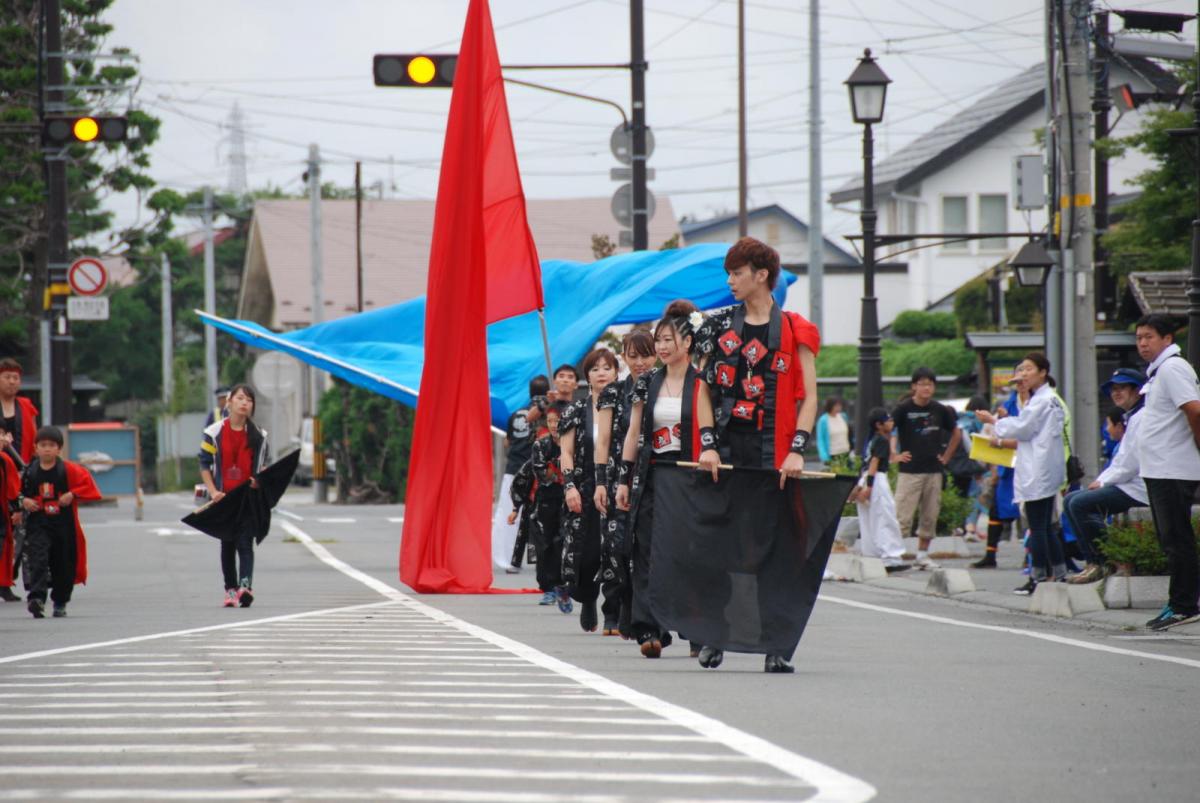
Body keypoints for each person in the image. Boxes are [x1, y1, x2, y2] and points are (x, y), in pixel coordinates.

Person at [692, 236, 820, 673]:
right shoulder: (717, 327)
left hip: (776, 455)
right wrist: (708, 445)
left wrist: (797, 452)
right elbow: (702, 391)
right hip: (726, 453)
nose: (729, 281)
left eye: (737, 273)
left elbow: (810, 398)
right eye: (729, 273)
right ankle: (715, 635)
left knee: (776, 550)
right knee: (721, 545)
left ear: (761, 275)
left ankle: (776, 645)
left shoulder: (795, 328)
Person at [605, 301, 718, 658]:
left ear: (688, 343)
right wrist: (623, 480)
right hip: (652, 473)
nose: (663, 347)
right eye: (659, 341)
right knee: (647, 549)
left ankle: (696, 630)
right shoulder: (647, 383)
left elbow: (710, 429)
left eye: (669, 340)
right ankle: (648, 628)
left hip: (691, 475)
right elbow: (633, 432)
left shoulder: (703, 383)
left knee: (691, 552)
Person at [975, 353, 1066, 594]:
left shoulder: (1040, 401)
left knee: (1037, 526)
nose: (1023, 374)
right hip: (1046, 467)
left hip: (1037, 469)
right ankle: (1060, 573)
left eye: (1028, 369)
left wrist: (992, 420)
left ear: (1042, 372)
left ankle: (1037, 578)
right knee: (1046, 525)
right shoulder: (1049, 398)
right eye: (1021, 370)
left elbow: (1022, 429)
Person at [1133, 315, 1200, 630]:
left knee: (1177, 538)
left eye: (1149, 337)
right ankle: (1178, 601)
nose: (1143, 343)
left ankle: (1184, 604)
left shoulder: (1173, 368)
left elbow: (1194, 409)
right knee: (1169, 537)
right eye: (1139, 338)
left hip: (1172, 467)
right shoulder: (1161, 372)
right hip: (1160, 467)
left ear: (1167, 339)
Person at [593, 329, 657, 639]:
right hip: (618, 477)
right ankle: (615, 609)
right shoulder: (612, 393)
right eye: (632, 356)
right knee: (616, 548)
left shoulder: (663, 387)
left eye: (645, 355)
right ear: (624, 357)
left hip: (655, 476)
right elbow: (603, 439)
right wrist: (600, 481)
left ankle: (646, 615)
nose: (639, 362)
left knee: (648, 549)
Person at [1063, 368, 1148, 584]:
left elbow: (1131, 463)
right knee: (1071, 500)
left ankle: (1105, 561)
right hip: (1127, 483)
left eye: (1122, 388)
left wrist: (1104, 481)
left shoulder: (1143, 417)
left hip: (1139, 486)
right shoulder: (1131, 417)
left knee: (1081, 504)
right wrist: (1102, 480)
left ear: (1137, 390)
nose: (1116, 393)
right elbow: (1121, 460)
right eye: (1114, 389)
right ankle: (1093, 562)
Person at [559, 349, 622, 634]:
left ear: (616, 373)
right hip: (585, 488)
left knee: (615, 549)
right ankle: (588, 596)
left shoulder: (625, 405)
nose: (601, 373)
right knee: (587, 554)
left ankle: (613, 612)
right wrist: (570, 486)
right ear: (587, 376)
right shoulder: (575, 410)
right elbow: (566, 452)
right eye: (595, 369)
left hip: (617, 485)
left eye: (606, 368)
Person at [198, 384, 271, 608]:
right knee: (228, 544)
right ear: (229, 402)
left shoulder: (259, 435)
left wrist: (259, 481)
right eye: (240, 398)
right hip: (224, 498)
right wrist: (213, 492)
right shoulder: (213, 433)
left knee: (245, 542)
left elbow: (263, 466)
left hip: (247, 498)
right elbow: (204, 464)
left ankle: (245, 587)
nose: (244, 403)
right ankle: (230, 590)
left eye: (249, 400)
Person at [18, 426, 101, 618]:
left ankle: (60, 601)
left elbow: (88, 485)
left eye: (52, 445)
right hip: (38, 523)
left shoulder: (69, 470)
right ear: (36, 448)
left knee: (63, 563)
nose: (47, 449)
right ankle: (36, 599)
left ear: (59, 449)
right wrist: (25, 502)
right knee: (37, 560)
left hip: (63, 525)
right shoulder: (29, 472)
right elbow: (17, 493)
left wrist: (72, 494)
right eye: (43, 445)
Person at [890, 367, 961, 570]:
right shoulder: (903, 409)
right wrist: (894, 454)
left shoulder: (940, 410)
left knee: (930, 515)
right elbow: (888, 429)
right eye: (921, 384)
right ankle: (894, 555)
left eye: (929, 384)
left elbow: (956, 433)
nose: (926, 388)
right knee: (901, 515)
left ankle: (922, 555)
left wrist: (946, 456)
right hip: (909, 470)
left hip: (934, 469)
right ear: (914, 386)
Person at [492, 376, 548, 573]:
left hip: (514, 468)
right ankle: (540, 558)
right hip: (539, 470)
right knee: (541, 514)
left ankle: (506, 557)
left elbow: (508, 442)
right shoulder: (549, 411)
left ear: (530, 392)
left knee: (509, 513)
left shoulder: (516, 415)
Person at [848, 407, 909, 572]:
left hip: (867, 477)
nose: (891, 422)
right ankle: (891, 557)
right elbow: (875, 462)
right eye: (887, 420)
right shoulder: (881, 440)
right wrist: (869, 486)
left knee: (868, 520)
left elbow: (867, 463)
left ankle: (872, 555)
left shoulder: (872, 440)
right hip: (876, 480)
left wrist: (861, 484)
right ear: (878, 424)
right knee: (884, 517)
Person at [972, 397, 1021, 569]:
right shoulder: (1009, 403)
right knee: (996, 511)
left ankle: (1032, 557)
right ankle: (990, 555)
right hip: (1005, 470)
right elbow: (991, 439)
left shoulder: (1037, 403)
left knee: (1029, 516)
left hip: (1026, 468)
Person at [529, 402, 569, 610]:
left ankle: (564, 584)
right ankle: (547, 587)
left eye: (558, 421)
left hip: (570, 497)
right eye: (551, 421)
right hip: (547, 499)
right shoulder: (540, 445)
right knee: (545, 544)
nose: (554, 425)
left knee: (564, 540)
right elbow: (540, 473)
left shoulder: (575, 443)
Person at [948, 396, 990, 540]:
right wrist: (980, 466)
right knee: (973, 496)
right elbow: (976, 446)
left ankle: (957, 527)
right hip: (972, 465)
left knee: (958, 496)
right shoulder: (979, 422)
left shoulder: (959, 421)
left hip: (953, 465)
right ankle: (970, 528)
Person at [0, 358, 39, 465]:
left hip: (22, 466)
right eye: (7, 377)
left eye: (16, 378)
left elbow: (35, 439)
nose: (12, 381)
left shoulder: (27, 406)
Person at [0, 420, 22, 602]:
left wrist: (17, 509)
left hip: (1, 514)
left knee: (4, 548)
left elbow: (13, 488)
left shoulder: (6, 460)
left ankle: (4, 584)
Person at [816, 396, 853, 469]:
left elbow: (849, 434)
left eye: (839, 405)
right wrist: (824, 457)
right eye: (836, 406)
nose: (838, 408)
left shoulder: (843, 416)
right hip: (833, 454)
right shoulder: (823, 420)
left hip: (845, 451)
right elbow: (820, 439)